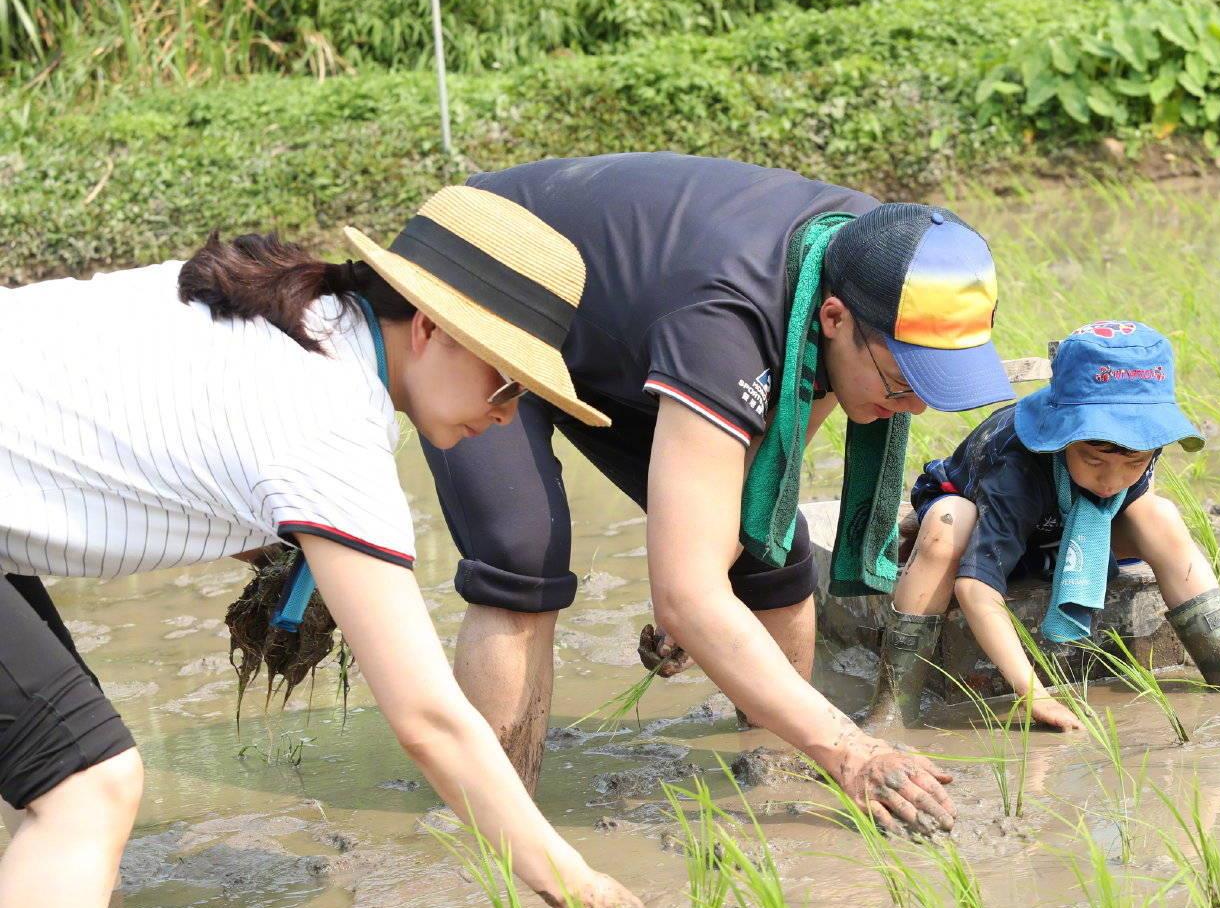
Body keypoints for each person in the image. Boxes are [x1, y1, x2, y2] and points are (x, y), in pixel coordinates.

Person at [0, 186, 637, 907]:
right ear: (428, 328)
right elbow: (430, 721)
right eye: (507, 381)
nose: (508, 415)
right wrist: (581, 886)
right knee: (87, 786)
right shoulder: (330, 421)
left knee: (64, 773)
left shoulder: (296, 316)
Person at [420, 152, 1015, 834]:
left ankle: (776, 778)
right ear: (832, 319)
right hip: (487, 275)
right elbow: (687, 590)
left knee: (769, 546)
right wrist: (849, 746)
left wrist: (703, 582)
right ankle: (493, 822)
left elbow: (766, 467)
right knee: (521, 554)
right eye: (902, 382)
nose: (909, 408)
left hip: (623, 319)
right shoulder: (728, 322)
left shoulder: (875, 252)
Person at [866, 321, 1220, 731]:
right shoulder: (1015, 466)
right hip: (984, 530)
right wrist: (1034, 695)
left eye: (1133, 463)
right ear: (1060, 437)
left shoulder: (1140, 452)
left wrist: (1124, 474)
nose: (1112, 480)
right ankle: (893, 707)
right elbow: (974, 588)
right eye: (1094, 460)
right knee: (948, 522)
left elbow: (1129, 491)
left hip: (1060, 533)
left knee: (1160, 514)